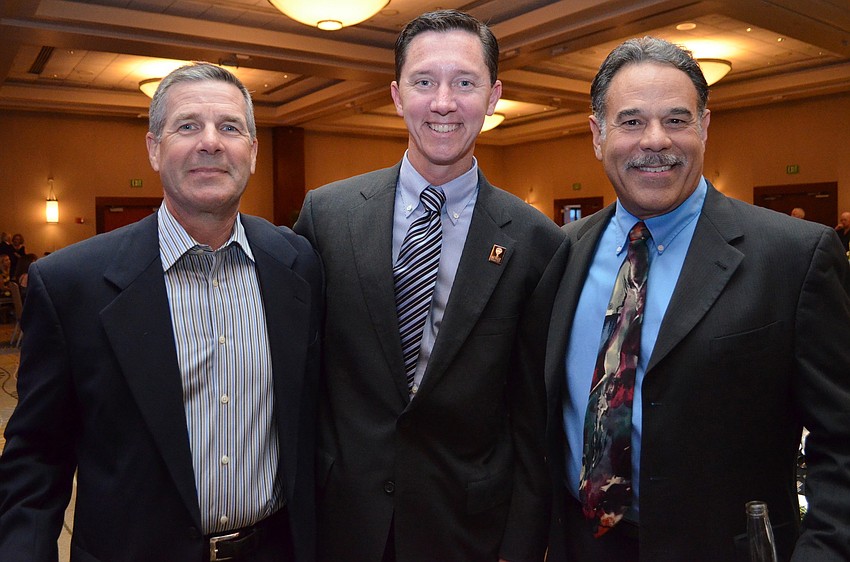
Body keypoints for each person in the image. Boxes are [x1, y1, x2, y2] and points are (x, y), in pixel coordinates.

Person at [0, 62, 323, 562]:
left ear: (253, 152)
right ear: (153, 148)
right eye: (188, 125)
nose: (211, 142)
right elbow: (37, 459)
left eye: (230, 127)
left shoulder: (296, 263)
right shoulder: (71, 284)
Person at [545, 37, 850, 561]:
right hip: (579, 545)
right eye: (632, 121)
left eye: (678, 120)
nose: (656, 140)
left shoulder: (794, 256)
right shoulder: (558, 254)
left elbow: (842, 441)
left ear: (705, 128)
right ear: (598, 135)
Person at [294, 10, 565, 562]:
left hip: (467, 526)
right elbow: (300, 373)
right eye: (424, 82)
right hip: (342, 518)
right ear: (397, 95)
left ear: (493, 96)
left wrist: (523, 543)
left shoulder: (536, 241)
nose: (444, 102)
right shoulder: (328, 215)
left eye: (465, 83)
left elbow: (532, 415)